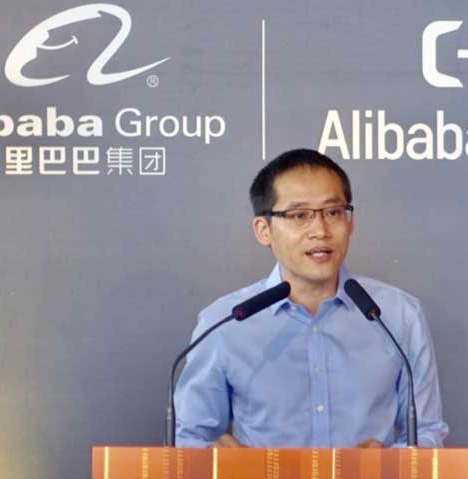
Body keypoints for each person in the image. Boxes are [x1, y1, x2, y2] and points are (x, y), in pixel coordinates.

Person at [175, 149, 448, 448]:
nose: (320, 230)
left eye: (333, 212)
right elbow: (189, 436)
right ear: (264, 230)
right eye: (299, 216)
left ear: (350, 222)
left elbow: (426, 432)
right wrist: (220, 459)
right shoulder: (227, 321)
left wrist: (387, 464)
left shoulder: (398, 314)